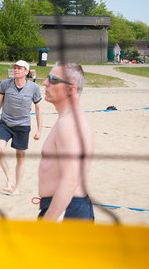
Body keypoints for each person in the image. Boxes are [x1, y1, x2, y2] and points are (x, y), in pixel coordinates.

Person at [37, 62, 95, 222]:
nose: (45, 83)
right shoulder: (69, 120)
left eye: (53, 79)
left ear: (71, 89)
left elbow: (70, 179)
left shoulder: (70, 124)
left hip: (66, 210)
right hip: (66, 207)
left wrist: (48, 221)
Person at [0, 60, 42, 195]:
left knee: (20, 159)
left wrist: (39, 130)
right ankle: (9, 179)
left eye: (19, 68)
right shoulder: (5, 84)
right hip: (5, 123)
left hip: (23, 126)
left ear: (26, 72)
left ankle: (17, 188)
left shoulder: (34, 88)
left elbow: (38, 109)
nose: (16, 70)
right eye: (15, 68)